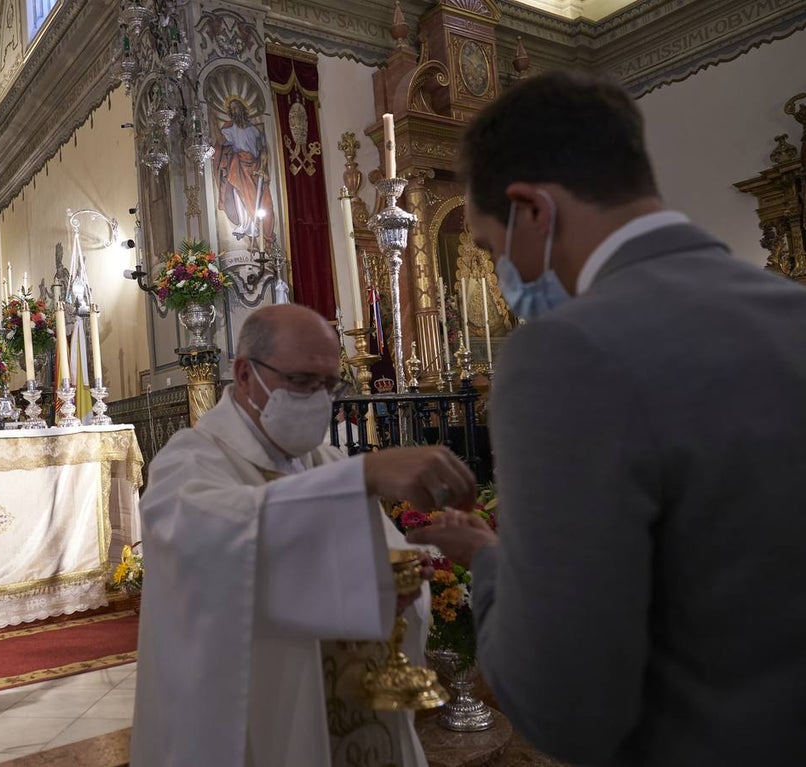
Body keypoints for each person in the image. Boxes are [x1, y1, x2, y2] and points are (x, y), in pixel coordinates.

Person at [410, 70, 806, 766]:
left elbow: (567, 706)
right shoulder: (790, 310)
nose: (498, 273)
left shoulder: (564, 355)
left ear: (532, 209)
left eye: (488, 248)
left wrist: (492, 564)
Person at [130, 303, 476, 767]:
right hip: (264, 728)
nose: (318, 399)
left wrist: (409, 571)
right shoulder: (189, 462)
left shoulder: (327, 462)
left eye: (329, 385)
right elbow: (212, 542)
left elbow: (391, 572)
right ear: (244, 374)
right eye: (301, 382)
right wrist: (366, 473)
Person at [215, 96, 275, 243]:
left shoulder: (254, 130)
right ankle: (244, 224)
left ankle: (254, 225)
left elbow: (262, 150)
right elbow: (222, 144)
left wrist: (262, 164)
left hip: (253, 166)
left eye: (237, 107)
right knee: (238, 192)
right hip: (239, 164)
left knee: (254, 196)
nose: (235, 111)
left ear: (243, 109)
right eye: (232, 109)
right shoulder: (230, 129)